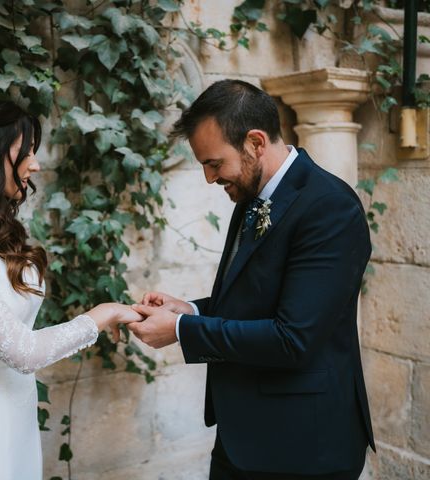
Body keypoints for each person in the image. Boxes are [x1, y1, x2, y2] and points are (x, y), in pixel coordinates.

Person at [129, 79, 375, 480]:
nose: (210, 178)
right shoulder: (251, 196)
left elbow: (292, 338)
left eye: (213, 163)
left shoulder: (330, 207)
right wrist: (188, 308)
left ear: (256, 142)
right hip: (242, 436)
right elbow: (257, 300)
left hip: (303, 447)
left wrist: (181, 329)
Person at [0, 95, 141, 480]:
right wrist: (101, 316)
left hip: (15, 425)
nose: (35, 164)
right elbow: (22, 351)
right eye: (25, 152)